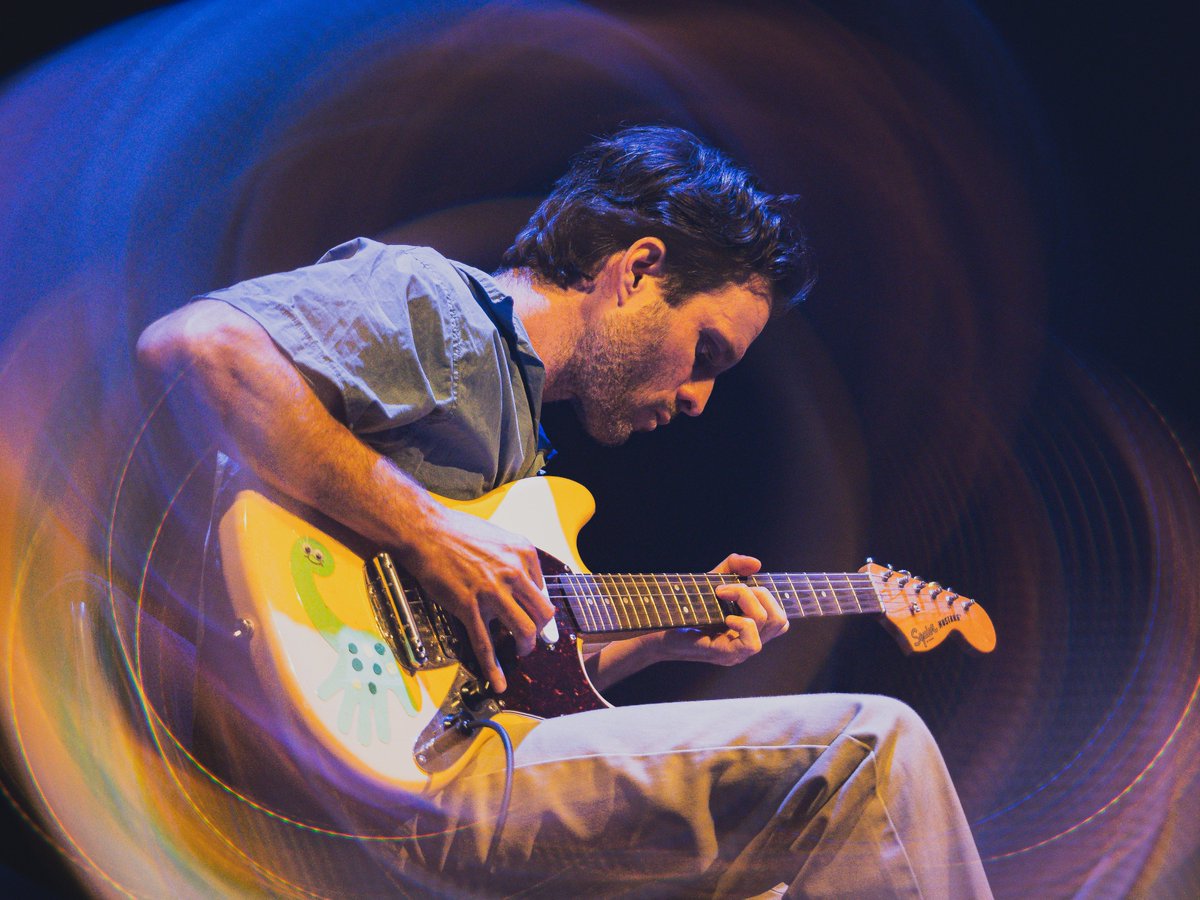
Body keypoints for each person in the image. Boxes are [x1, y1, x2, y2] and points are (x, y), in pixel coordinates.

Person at [137, 125, 992, 897]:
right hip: (374, 774)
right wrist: (425, 526)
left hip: (428, 761)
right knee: (868, 754)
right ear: (637, 269)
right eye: (707, 353)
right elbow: (197, 350)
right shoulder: (442, 308)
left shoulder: (522, 457)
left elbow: (501, 684)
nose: (699, 398)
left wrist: (659, 640)